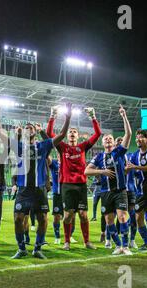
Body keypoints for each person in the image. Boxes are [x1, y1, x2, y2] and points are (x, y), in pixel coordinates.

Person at [0, 102, 70, 259]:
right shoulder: (19, 146)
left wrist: (68, 118)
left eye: (31, 128)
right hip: (23, 190)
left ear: (35, 131)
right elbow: (1, 134)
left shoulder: (44, 145)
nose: (28, 129)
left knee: (43, 219)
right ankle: (21, 248)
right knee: (17, 219)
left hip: (39, 189)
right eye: (26, 128)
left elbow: (61, 135)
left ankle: (37, 248)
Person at [46, 105, 102, 250]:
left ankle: (87, 241)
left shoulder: (83, 147)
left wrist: (93, 117)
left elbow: (97, 134)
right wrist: (53, 116)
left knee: (83, 215)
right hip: (67, 185)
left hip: (81, 185)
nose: (71, 133)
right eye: (70, 131)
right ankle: (66, 242)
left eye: (74, 132)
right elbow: (49, 133)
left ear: (77, 136)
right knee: (68, 215)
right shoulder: (62, 147)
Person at [85, 105, 133, 255]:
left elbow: (128, 134)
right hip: (105, 192)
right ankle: (118, 246)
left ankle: (125, 246)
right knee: (109, 221)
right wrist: (102, 171)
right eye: (105, 139)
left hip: (120, 190)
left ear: (113, 143)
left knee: (122, 216)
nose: (107, 140)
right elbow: (87, 171)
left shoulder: (118, 152)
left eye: (110, 139)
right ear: (103, 143)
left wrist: (123, 116)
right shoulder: (98, 157)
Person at [115, 136, 138, 249]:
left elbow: (137, 172)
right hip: (119, 190)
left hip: (131, 190)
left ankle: (132, 239)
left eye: (121, 141)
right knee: (119, 217)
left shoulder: (131, 157)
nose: (120, 143)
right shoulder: (113, 158)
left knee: (133, 215)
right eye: (118, 142)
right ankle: (117, 239)